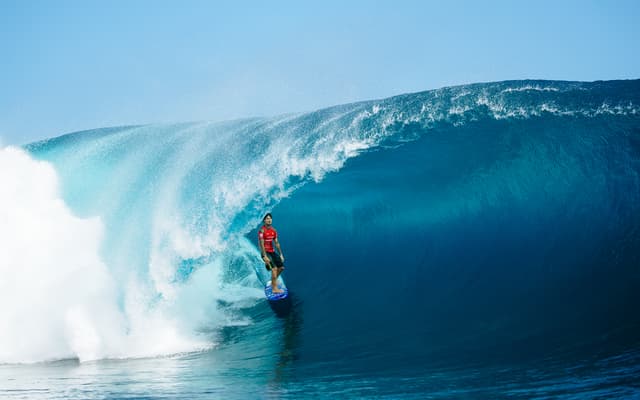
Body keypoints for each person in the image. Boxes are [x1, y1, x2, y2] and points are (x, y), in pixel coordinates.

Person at [258, 213, 285, 293]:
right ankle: (274, 289)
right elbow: (261, 244)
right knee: (274, 269)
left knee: (281, 268)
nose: (269, 220)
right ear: (264, 221)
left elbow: (277, 243)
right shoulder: (261, 231)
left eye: (270, 218)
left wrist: (281, 254)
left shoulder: (274, 230)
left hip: (272, 252)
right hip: (265, 253)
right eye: (267, 219)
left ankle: (273, 281)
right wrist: (265, 256)